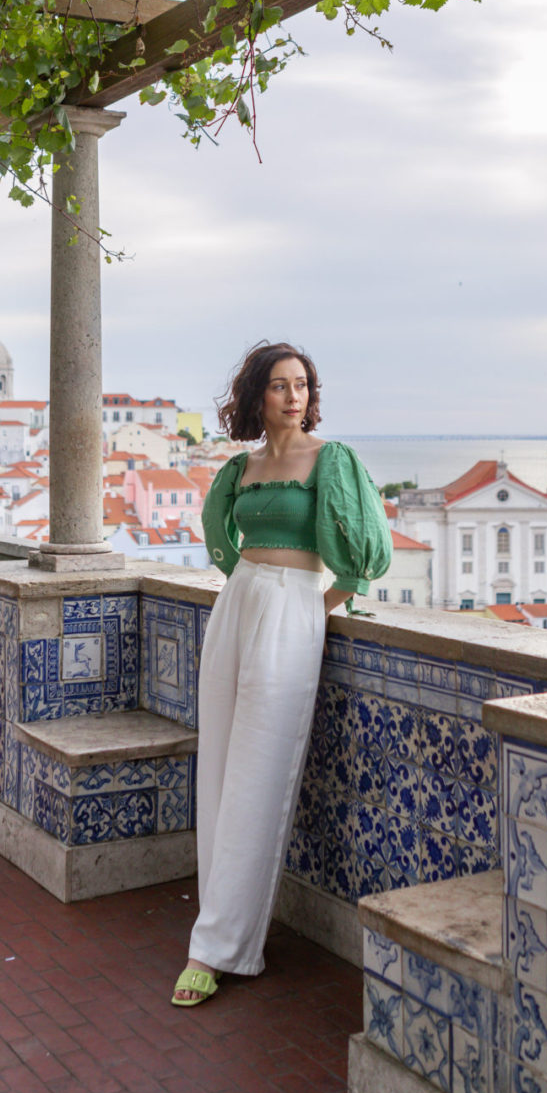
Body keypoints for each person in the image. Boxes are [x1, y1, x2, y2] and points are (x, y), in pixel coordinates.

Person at [171, 341, 392, 1007]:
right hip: (237, 606)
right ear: (256, 396)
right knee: (219, 773)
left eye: (302, 385)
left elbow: (363, 557)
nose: (293, 396)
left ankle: (214, 951)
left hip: (292, 613)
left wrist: (311, 605)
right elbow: (220, 540)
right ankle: (218, 922)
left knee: (259, 777)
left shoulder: (333, 460)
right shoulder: (242, 467)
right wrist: (250, 589)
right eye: (279, 385)